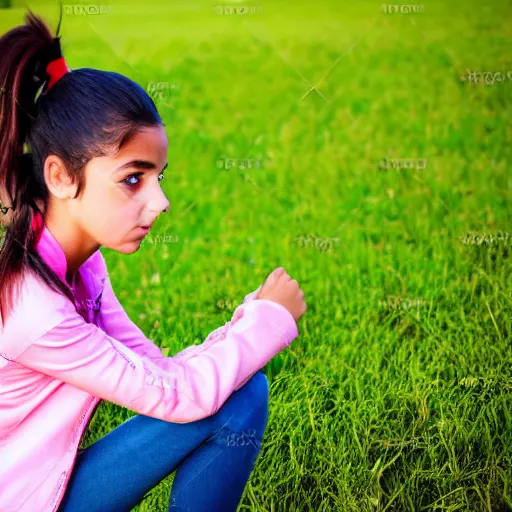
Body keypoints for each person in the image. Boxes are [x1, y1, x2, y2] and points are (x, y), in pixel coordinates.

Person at [0, 9, 307, 512]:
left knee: (241, 392)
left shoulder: (81, 268)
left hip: (50, 484)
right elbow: (178, 396)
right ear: (60, 177)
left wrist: (243, 325)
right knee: (226, 395)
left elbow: (157, 371)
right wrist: (265, 322)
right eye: (133, 178)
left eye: (159, 177)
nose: (160, 202)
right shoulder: (35, 312)